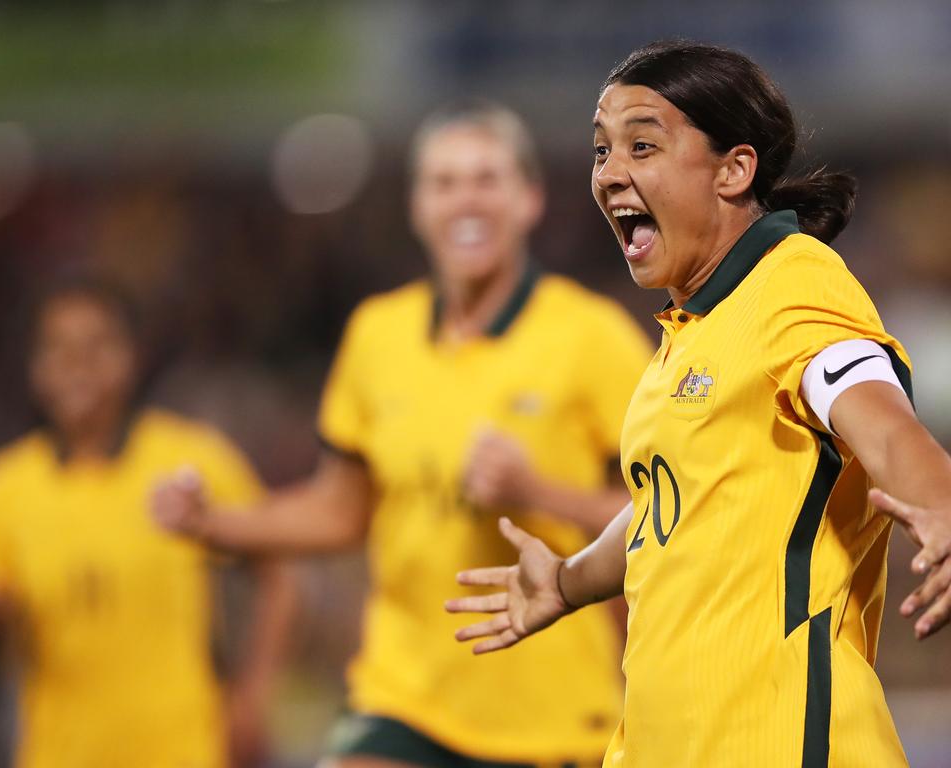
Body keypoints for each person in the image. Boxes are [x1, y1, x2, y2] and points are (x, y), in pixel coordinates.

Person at [446, 41, 951, 768]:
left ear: (734, 169)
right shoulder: (692, 332)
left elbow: (883, 421)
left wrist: (937, 499)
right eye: (600, 150)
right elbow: (673, 510)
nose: (610, 173)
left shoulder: (796, 286)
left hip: (780, 744)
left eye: (642, 145)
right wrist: (565, 580)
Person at [153, 102, 652, 768]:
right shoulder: (376, 335)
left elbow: (664, 513)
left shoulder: (592, 337)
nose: (464, 200)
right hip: (403, 694)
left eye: (485, 180)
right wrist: (215, 524)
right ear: (417, 206)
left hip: (551, 709)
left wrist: (539, 491)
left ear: (528, 199)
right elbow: (339, 509)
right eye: (444, 183)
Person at [0, 278, 294, 768]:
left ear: (132, 356)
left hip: (182, 750)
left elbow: (277, 571)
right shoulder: (6, 485)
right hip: (57, 754)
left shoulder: (190, 460)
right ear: (34, 367)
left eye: (96, 344)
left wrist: (253, 696)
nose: (76, 365)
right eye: (57, 348)